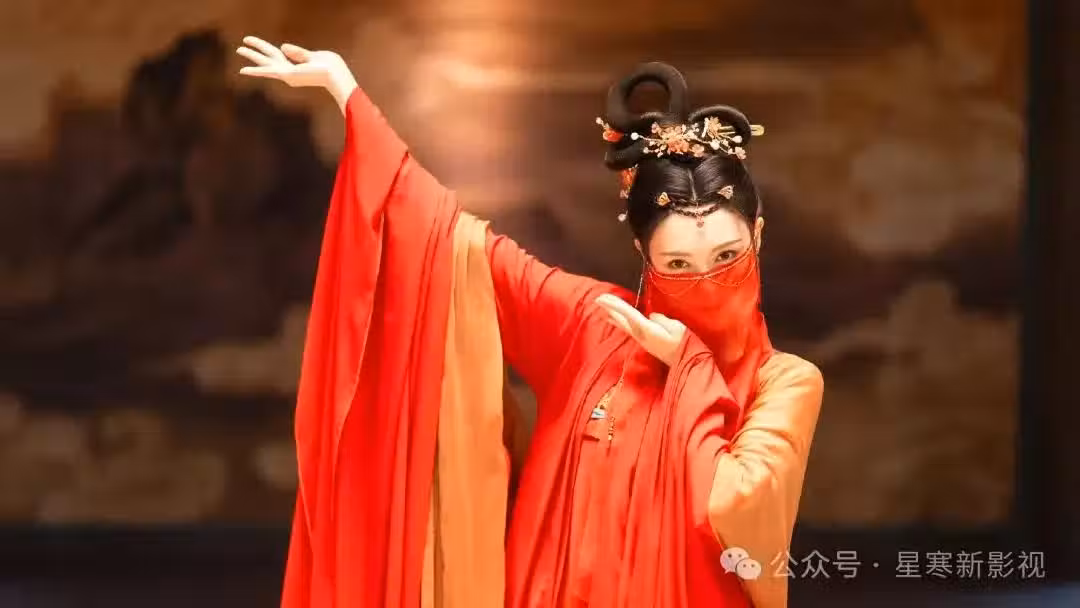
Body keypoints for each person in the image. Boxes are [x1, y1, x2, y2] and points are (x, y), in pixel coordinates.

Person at [237, 36, 824, 608]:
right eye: (677, 264)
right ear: (643, 255)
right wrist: (347, 94)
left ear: (758, 236)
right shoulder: (593, 327)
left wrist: (690, 367)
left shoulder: (786, 383)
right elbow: (451, 243)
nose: (706, 282)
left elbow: (734, 506)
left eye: (726, 256)